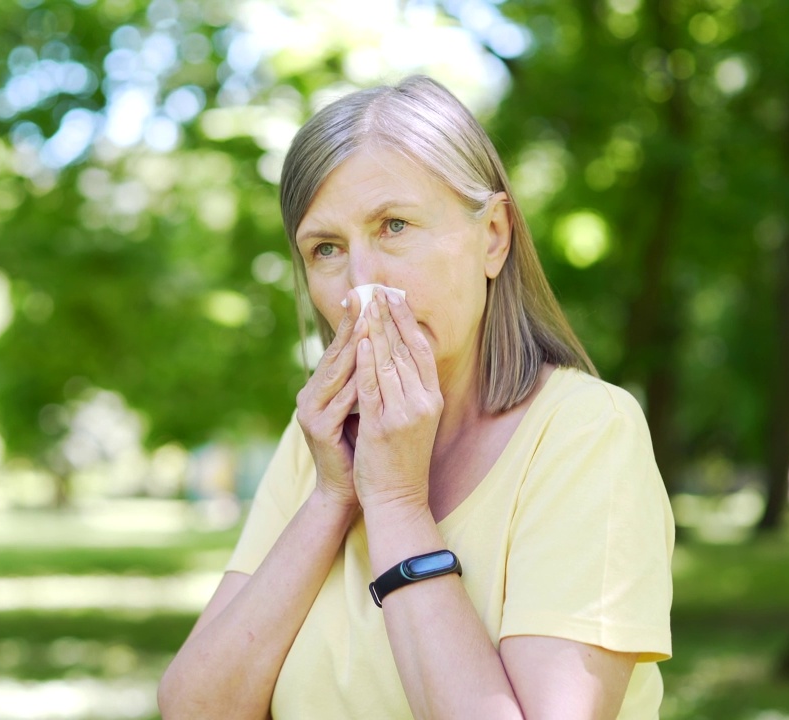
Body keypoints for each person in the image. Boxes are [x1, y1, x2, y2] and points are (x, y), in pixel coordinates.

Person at [158, 75, 674, 719]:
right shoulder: (318, 443)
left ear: (493, 237)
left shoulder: (586, 432)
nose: (362, 284)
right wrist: (332, 495)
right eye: (326, 249)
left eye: (394, 225)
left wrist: (397, 503)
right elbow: (196, 709)